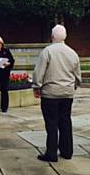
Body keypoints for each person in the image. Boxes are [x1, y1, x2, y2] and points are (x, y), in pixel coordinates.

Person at [32, 24, 82, 162]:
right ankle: (67, 151)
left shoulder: (47, 51)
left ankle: (51, 153)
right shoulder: (72, 53)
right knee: (65, 121)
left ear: (52, 36)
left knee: (51, 122)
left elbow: (39, 71)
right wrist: (74, 86)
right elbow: (78, 75)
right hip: (67, 93)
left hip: (50, 93)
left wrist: (37, 87)